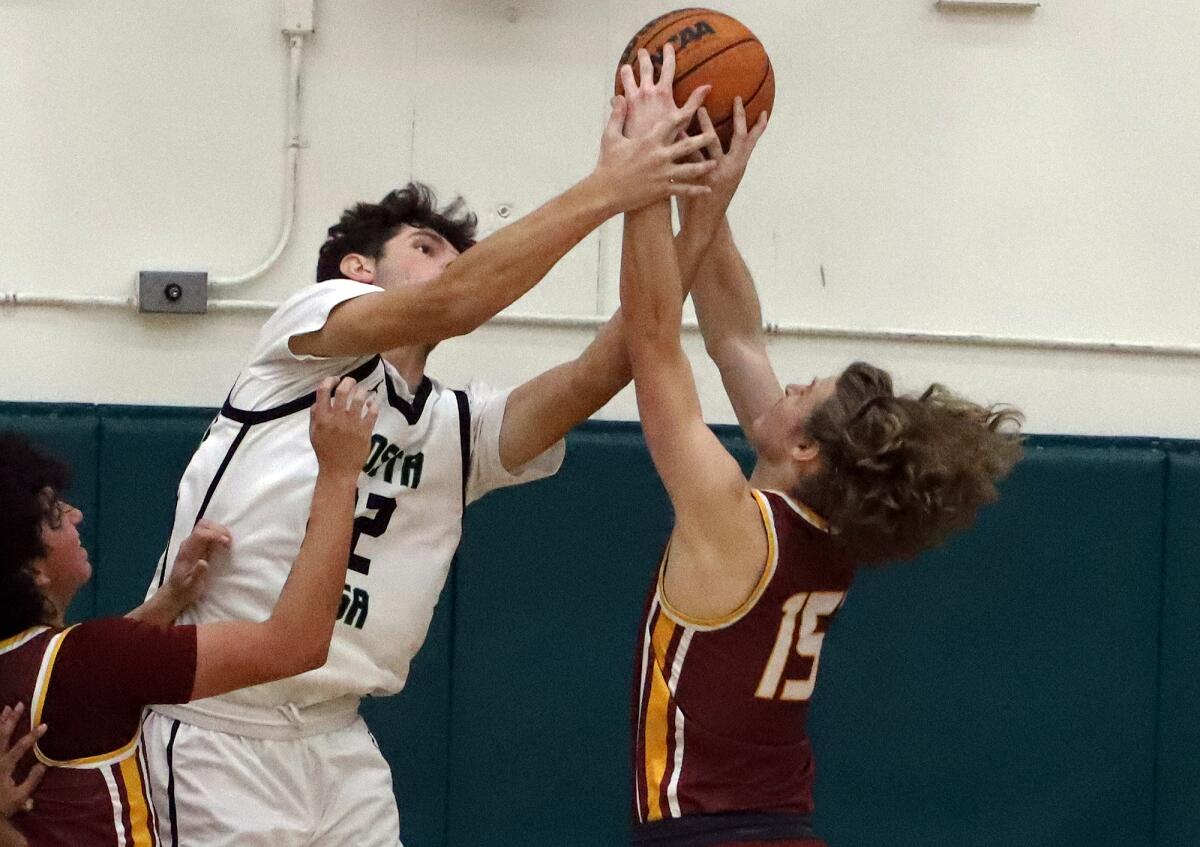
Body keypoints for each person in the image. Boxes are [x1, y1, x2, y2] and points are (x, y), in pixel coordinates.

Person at [138, 46, 731, 846]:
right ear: (357, 269)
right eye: (425, 246)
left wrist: (687, 209)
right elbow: (457, 302)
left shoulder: (460, 428)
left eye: (456, 253)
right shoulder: (306, 334)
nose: (452, 265)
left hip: (338, 743)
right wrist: (611, 184)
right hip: (216, 726)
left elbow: (616, 358)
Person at [616, 49, 1024, 847]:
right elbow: (731, 332)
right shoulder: (823, 533)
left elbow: (654, 342)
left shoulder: (735, 525)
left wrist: (642, 179)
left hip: (711, 834)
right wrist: (708, 190)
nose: (789, 382)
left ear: (803, 448)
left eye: (802, 389)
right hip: (781, 828)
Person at [0, 377, 378, 845]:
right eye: (55, 514)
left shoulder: (29, 661)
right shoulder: (91, 660)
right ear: (30, 569)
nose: (76, 514)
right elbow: (294, 645)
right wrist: (340, 477)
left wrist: (169, 600)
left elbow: (90, 675)